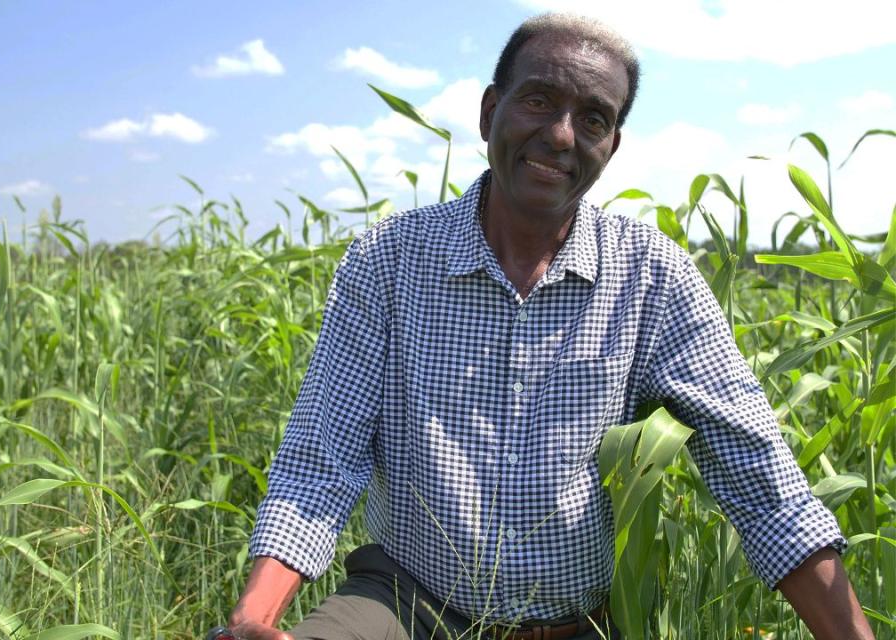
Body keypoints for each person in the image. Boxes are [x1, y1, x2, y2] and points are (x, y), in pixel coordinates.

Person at [223, 13, 875, 640]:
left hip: (576, 624)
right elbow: (319, 462)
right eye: (538, 101)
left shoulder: (652, 278)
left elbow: (762, 484)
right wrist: (252, 619)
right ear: (489, 114)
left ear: (610, 147)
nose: (562, 135)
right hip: (407, 604)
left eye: (593, 119)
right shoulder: (389, 261)